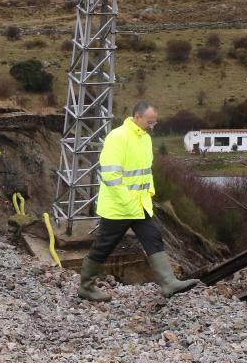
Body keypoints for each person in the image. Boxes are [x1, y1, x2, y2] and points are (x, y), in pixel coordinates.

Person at [78, 101, 199, 302]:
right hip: (119, 208)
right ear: (137, 117)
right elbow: (110, 175)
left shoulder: (144, 138)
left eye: (155, 123)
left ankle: (169, 283)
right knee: (104, 246)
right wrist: (128, 202)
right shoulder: (117, 137)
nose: (152, 126)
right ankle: (86, 287)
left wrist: (149, 192)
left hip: (140, 205)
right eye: (150, 122)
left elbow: (145, 171)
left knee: (153, 237)